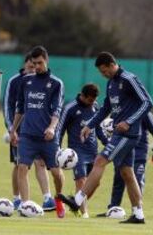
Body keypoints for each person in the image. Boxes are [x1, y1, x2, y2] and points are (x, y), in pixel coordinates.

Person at [60, 52, 153, 224]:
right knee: (127, 173)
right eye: (101, 73)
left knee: (100, 161)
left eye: (105, 71)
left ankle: (77, 201)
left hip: (128, 133)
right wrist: (89, 125)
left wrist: (129, 121)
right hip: (119, 133)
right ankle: (138, 214)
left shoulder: (129, 79)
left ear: (112, 64)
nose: (104, 75)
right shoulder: (111, 84)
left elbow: (147, 102)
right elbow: (104, 110)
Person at [9, 46, 66, 218]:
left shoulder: (56, 83)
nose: (37, 67)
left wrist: (51, 127)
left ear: (46, 61)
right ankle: (26, 206)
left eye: (40, 63)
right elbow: (20, 108)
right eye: (34, 64)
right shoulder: (25, 81)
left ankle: (58, 199)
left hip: (47, 137)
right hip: (27, 135)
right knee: (22, 168)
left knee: (56, 172)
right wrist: (13, 129)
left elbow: (57, 109)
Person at [3, 53, 56, 211]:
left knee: (40, 163)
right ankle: (17, 199)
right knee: (19, 165)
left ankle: (47, 198)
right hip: (19, 130)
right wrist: (11, 129)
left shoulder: (45, 82)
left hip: (38, 129)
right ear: (25, 66)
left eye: (36, 66)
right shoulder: (15, 81)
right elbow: (9, 107)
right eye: (31, 67)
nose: (34, 69)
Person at [97, 112, 153, 216]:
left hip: (139, 154)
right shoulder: (122, 109)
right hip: (122, 151)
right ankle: (113, 209)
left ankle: (137, 211)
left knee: (137, 180)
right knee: (118, 180)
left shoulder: (144, 113)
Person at [57, 84, 108, 218]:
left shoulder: (95, 107)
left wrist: (106, 142)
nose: (92, 103)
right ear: (83, 96)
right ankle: (84, 213)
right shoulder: (70, 108)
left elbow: (99, 127)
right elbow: (60, 129)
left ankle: (76, 204)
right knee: (81, 180)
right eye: (90, 100)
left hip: (93, 151)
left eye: (94, 100)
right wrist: (57, 147)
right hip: (76, 151)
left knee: (95, 183)